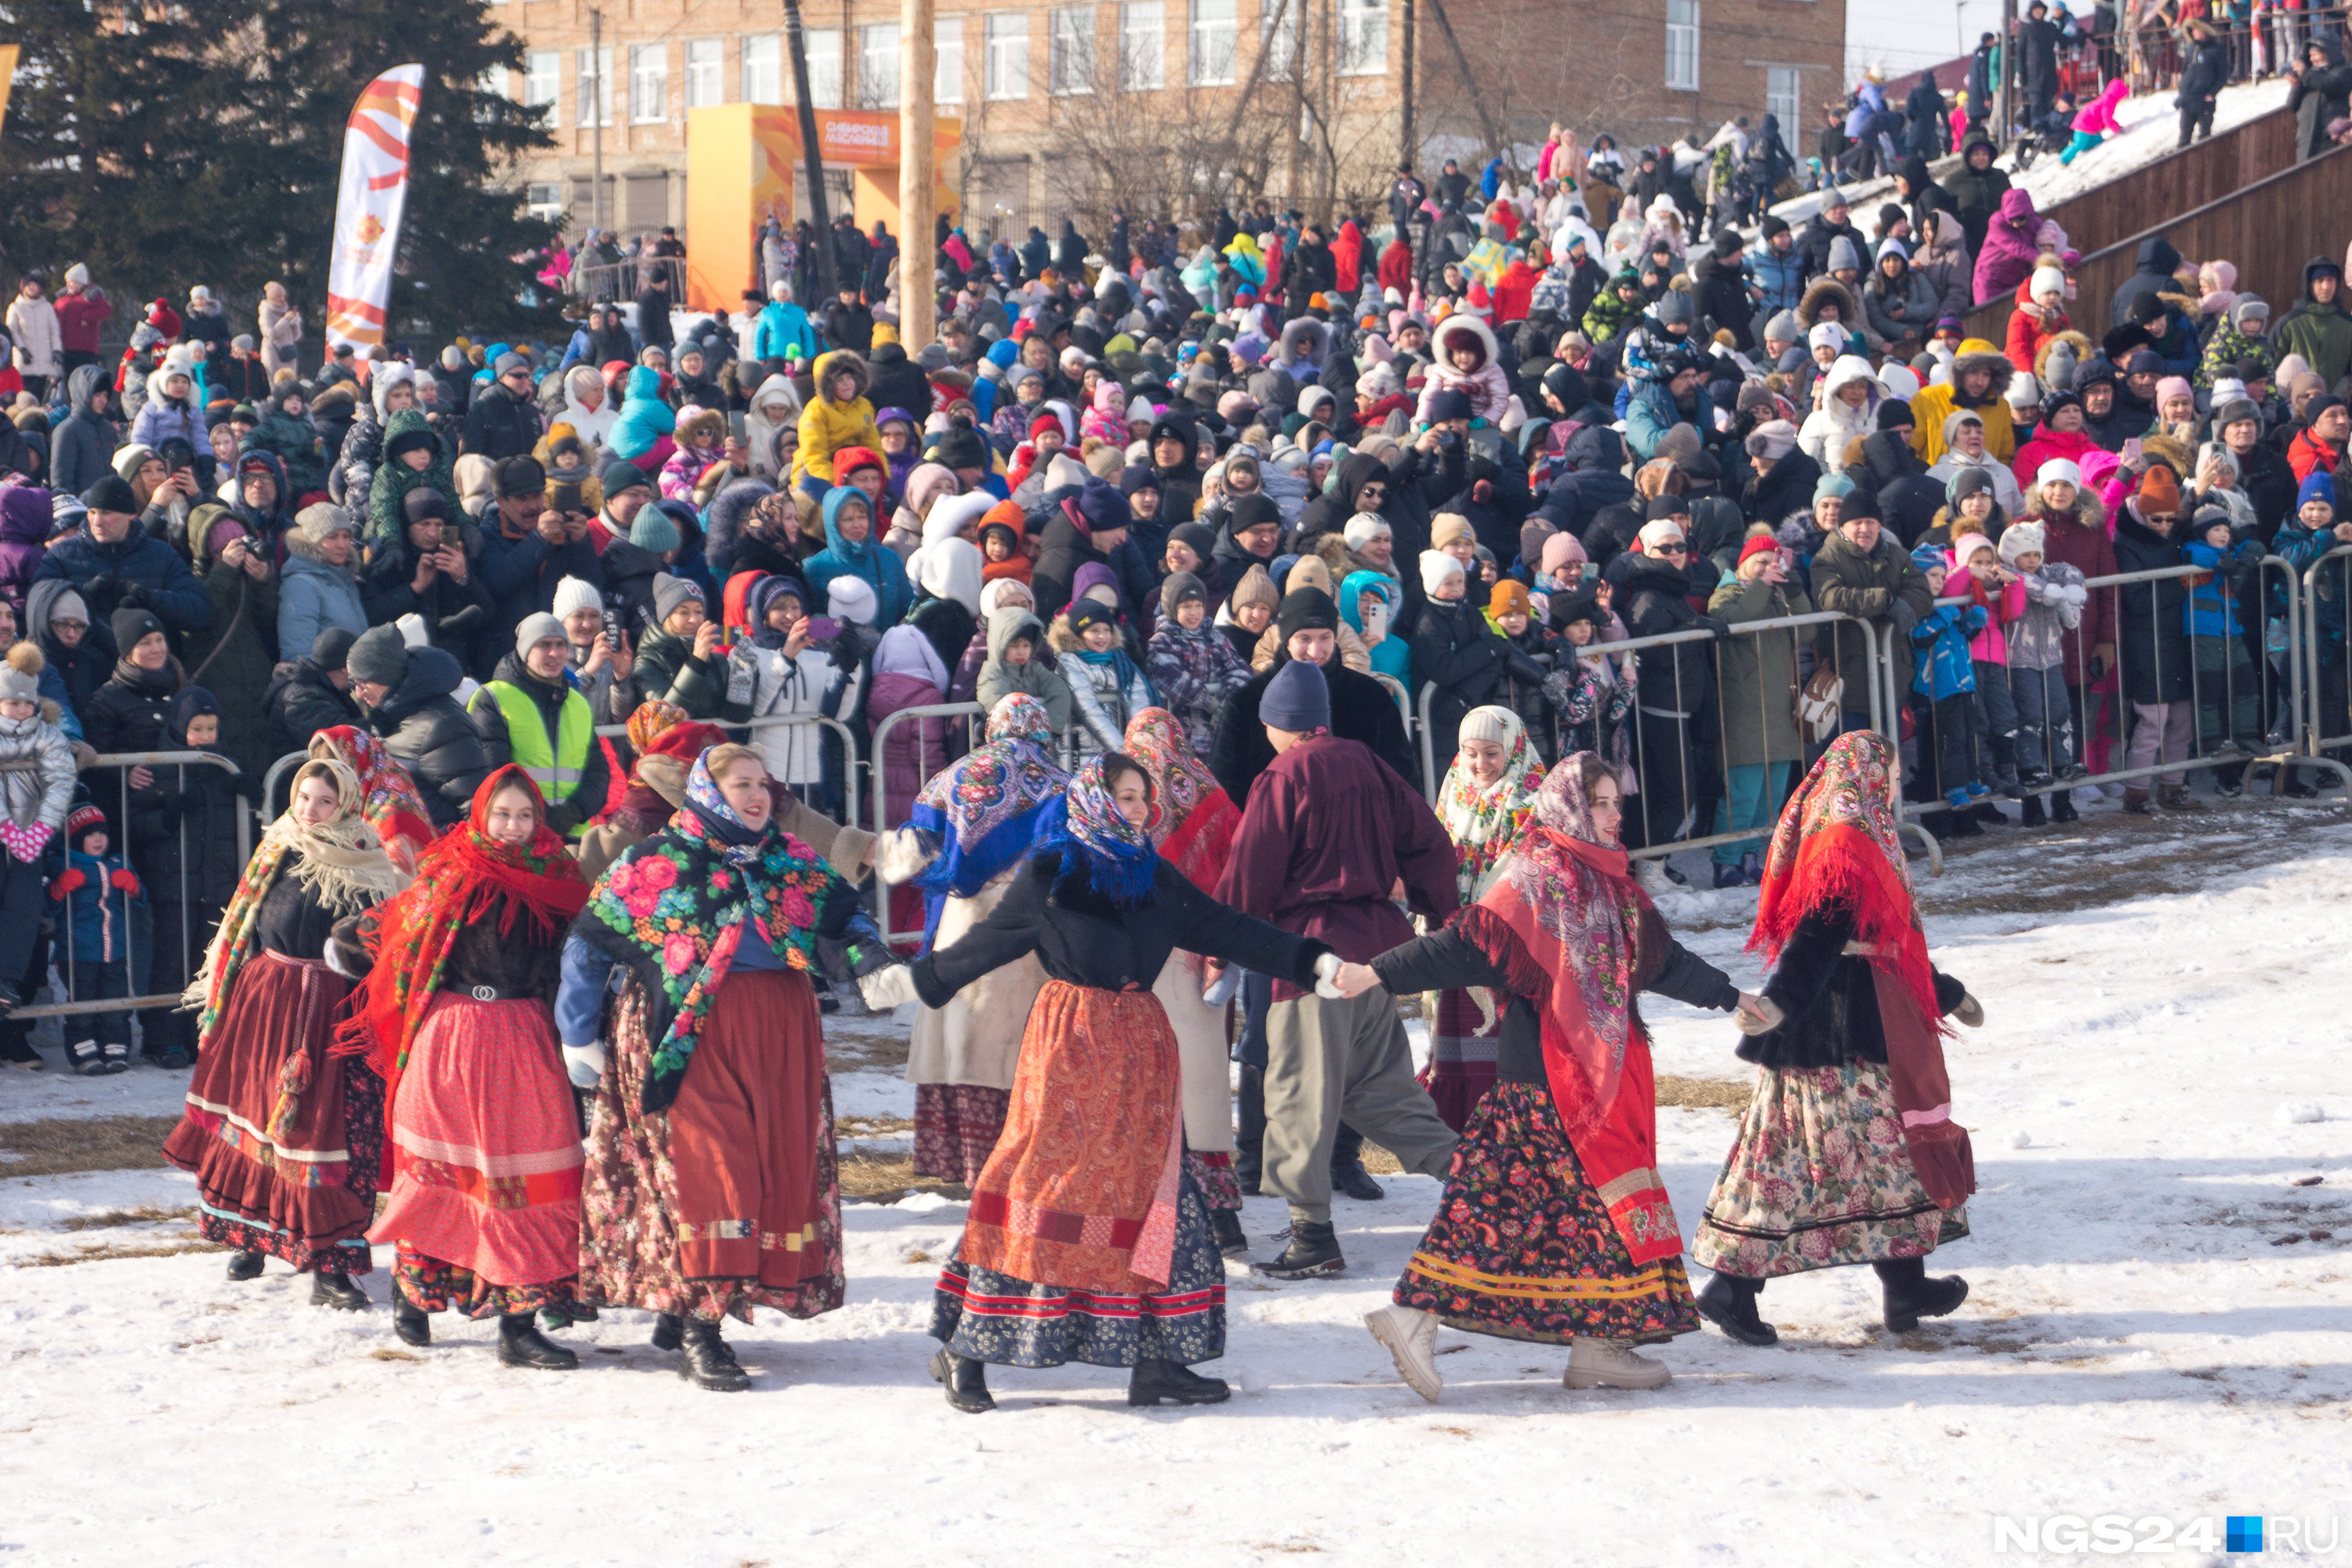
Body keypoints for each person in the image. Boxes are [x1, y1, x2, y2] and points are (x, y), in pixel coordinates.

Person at [893, 753, 1341, 1414]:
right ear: (1093, 800)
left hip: (1141, 1056)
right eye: (1124, 797)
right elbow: (989, 944)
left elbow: (1230, 929)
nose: (1136, 810)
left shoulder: (1153, 876)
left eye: (1141, 798)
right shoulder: (1052, 875)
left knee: (1163, 1198)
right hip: (1070, 1052)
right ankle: (965, 1349)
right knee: (1038, 1192)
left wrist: (1314, 960)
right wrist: (914, 982)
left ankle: (1158, 1362)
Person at [1345, 753, 1757, 1399]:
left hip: (1598, 1077)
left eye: (1614, 801)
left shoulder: (1613, 882)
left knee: (1583, 1211)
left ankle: (1597, 1345)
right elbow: (1463, 945)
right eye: (1600, 802)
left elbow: (1657, 960)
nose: (1614, 813)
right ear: (1569, 805)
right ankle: (1414, 1317)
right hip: (1542, 1082)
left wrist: (1730, 998)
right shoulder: (1536, 878)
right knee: (1503, 1210)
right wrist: (1378, 972)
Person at [560, 745, 888, 1390]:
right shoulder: (657, 860)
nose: (756, 796)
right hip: (687, 1033)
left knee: (769, 1167)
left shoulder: (789, 860)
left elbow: (845, 912)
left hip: (781, 1035)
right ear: (708, 792)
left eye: (761, 784)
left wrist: (873, 955)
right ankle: (700, 1331)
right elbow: (589, 941)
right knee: (713, 1172)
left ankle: (687, 1297)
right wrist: (576, 1034)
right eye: (741, 785)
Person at [1690, 731, 1980, 1345]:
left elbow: (1892, 944)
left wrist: (1945, 992)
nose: (1897, 786)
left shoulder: (1860, 838)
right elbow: (1817, 942)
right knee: (1791, 1169)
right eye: (1893, 776)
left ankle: (1906, 1287)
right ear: (1869, 778)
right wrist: (1777, 1004)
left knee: (1888, 1160)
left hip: (1858, 1026)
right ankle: (1732, 1289)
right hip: (1833, 1038)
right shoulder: (1846, 847)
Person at [336, 768, 593, 1367]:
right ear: (482, 814)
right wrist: (350, 944)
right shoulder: (452, 872)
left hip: (526, 1039)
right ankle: (414, 1292)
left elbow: (581, 960)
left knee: (528, 1179)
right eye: (503, 814)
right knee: (442, 1178)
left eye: (525, 816)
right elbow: (398, 931)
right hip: (452, 1037)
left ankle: (518, 1326)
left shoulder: (559, 879)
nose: (513, 826)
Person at [1216, 659, 1462, 1278]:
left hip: (1312, 958)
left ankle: (1312, 1236)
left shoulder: (1282, 775)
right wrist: (1439, 912)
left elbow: (1251, 873)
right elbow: (1430, 841)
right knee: (1380, 1090)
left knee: (1300, 1093)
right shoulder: (1369, 763)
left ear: (1281, 723)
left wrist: (1221, 940)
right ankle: (1490, 1186)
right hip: (1378, 954)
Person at [160, 757, 409, 1307]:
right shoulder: (276, 847)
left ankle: (329, 1263)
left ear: (346, 803)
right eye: (304, 799)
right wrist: (225, 999)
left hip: (332, 1008)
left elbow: (386, 948)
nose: (312, 811)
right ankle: (252, 1234)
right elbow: (241, 925)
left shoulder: (371, 864)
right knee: (252, 1120)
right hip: (266, 999)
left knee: (324, 1132)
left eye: (324, 800)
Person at [878, 693, 1070, 1186]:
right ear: (1041, 730)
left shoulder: (952, 777)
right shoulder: (1058, 782)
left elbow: (915, 850)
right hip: (1030, 918)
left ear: (992, 728)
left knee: (963, 1031)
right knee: (1022, 1038)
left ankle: (963, 1160)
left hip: (963, 916)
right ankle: (1022, 1161)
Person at [1422, 706, 1546, 1132]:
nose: (1479, 764)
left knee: (1502, 1035)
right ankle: (1460, 1118)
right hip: (1456, 929)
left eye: (1492, 753)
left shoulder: (1532, 796)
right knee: (1459, 1029)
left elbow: (1524, 865)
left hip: (1503, 934)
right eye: (1470, 752)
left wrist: (1484, 911)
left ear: (1513, 749)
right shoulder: (1456, 784)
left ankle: (1507, 1126)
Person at [468, 613, 608, 839]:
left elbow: (598, 771)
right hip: (515, 835)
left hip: (573, 835)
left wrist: (575, 811)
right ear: (525, 651)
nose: (555, 653)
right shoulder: (493, 697)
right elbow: (492, 770)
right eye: (544, 645)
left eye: (561, 645)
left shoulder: (578, 703)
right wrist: (539, 816)